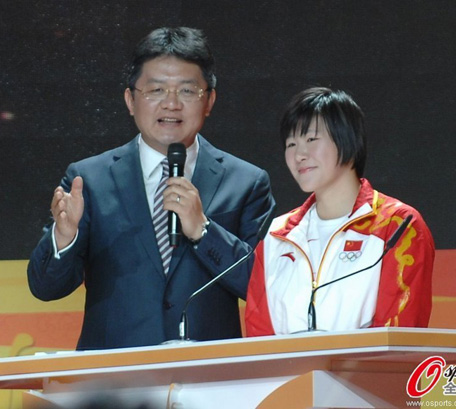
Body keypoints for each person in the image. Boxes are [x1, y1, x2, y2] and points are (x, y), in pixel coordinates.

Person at [27, 27, 275, 350]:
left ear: (210, 100)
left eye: (187, 91)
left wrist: (204, 230)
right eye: (156, 90)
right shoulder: (88, 180)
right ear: (131, 100)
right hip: (114, 382)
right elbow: (44, 287)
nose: (171, 104)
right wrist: (64, 238)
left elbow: (265, 290)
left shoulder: (246, 182)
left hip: (209, 379)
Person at [245, 87, 434, 336]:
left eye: (311, 139)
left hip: (364, 375)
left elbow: (398, 341)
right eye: (291, 143)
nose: (299, 155)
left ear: (347, 139)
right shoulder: (277, 235)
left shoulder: (398, 226)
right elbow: (260, 340)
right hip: (290, 377)